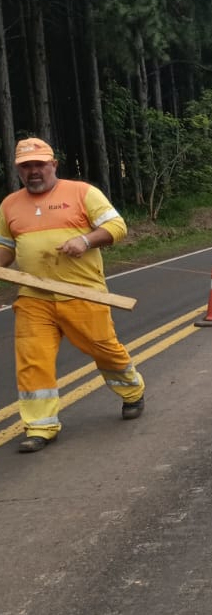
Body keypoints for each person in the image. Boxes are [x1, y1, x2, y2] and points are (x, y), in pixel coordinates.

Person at [0, 137, 144, 453]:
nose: (33, 171)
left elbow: (117, 226)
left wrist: (86, 240)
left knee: (104, 350)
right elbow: (6, 249)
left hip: (83, 293)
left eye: (39, 164)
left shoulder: (82, 193)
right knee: (32, 361)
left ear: (53, 164)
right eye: (26, 166)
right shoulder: (9, 204)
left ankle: (132, 391)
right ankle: (40, 427)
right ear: (18, 170)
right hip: (34, 297)